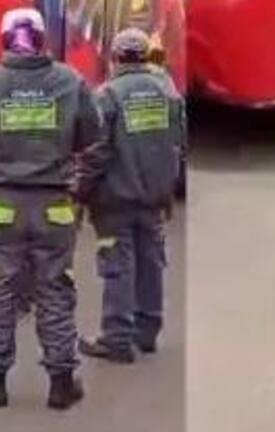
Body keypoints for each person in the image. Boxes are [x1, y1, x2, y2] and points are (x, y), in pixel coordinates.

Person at [0, 8, 102, 411]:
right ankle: (61, 383)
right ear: (42, 39)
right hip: (54, 206)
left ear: (5, 39)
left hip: (1, 204)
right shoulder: (70, 81)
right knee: (55, 289)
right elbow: (91, 132)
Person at [76, 28, 185, 364]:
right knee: (151, 261)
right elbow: (179, 143)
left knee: (118, 266)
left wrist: (78, 191)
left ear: (116, 58)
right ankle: (147, 331)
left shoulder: (107, 95)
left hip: (115, 199)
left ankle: (117, 339)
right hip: (155, 196)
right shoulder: (168, 92)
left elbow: (96, 153)